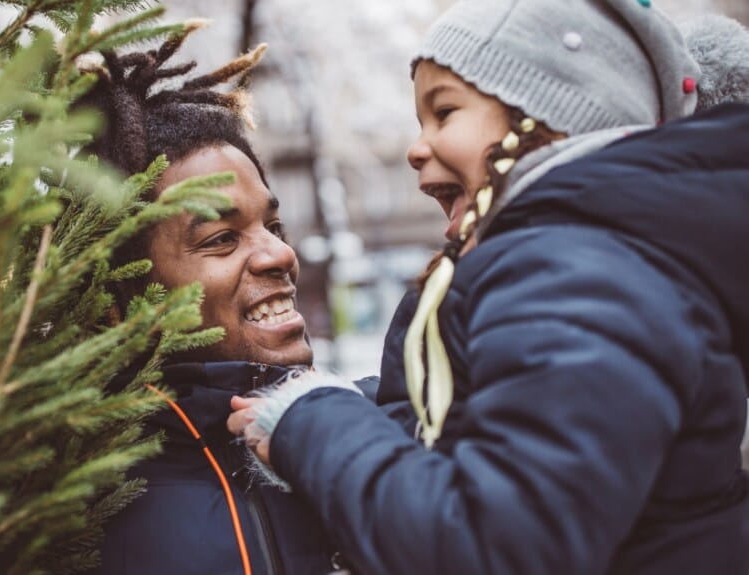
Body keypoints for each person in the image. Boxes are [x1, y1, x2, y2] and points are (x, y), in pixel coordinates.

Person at [228, 2, 749, 574]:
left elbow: (497, 543)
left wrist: (314, 421)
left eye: (445, 111)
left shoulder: (574, 272)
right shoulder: (576, 269)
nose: (414, 148)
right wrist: (361, 413)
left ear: (551, 117)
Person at [73, 26, 352, 575]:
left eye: (274, 224)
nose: (279, 255)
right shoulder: (72, 504)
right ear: (127, 290)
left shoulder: (355, 444)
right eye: (221, 239)